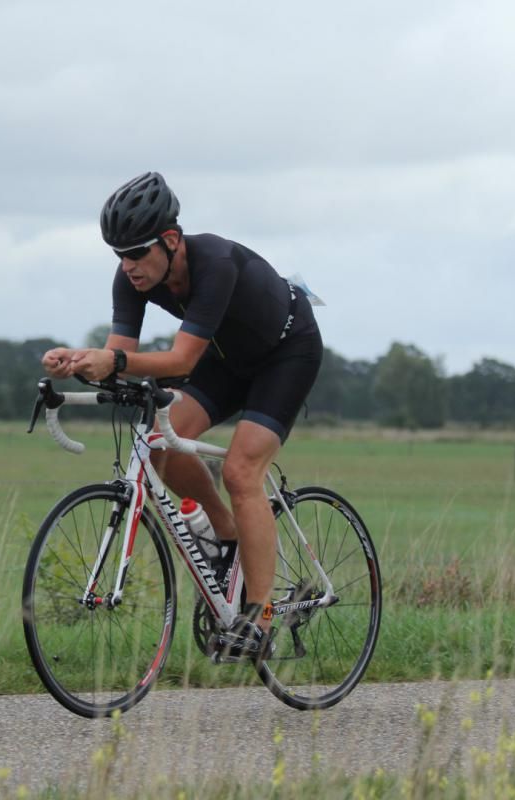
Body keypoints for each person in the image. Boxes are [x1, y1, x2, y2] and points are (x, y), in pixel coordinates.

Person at [42, 171, 322, 660]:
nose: (127, 265)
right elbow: (119, 358)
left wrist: (114, 360)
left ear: (170, 240)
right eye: (118, 255)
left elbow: (179, 361)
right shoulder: (131, 278)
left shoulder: (216, 263)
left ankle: (259, 619)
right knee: (158, 446)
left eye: (136, 252)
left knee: (240, 471)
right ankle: (225, 533)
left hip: (286, 354)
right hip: (227, 360)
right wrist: (82, 363)